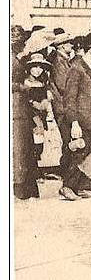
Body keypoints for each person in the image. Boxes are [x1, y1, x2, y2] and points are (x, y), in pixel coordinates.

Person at [60, 34, 91, 200]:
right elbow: (69, 99)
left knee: (90, 154)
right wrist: (74, 122)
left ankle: (84, 186)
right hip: (81, 120)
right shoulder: (77, 69)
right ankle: (67, 186)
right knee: (78, 154)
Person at [12, 28, 40, 200]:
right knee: (20, 150)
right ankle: (20, 188)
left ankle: (23, 186)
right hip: (16, 109)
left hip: (20, 109)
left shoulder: (15, 59)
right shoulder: (11, 59)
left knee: (23, 149)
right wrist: (25, 86)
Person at [48, 32, 77, 180]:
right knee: (68, 138)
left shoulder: (63, 60)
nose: (72, 45)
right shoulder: (59, 62)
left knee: (68, 139)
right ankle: (66, 171)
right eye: (69, 42)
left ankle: (65, 169)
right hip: (62, 106)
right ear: (62, 45)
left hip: (63, 105)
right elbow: (63, 85)